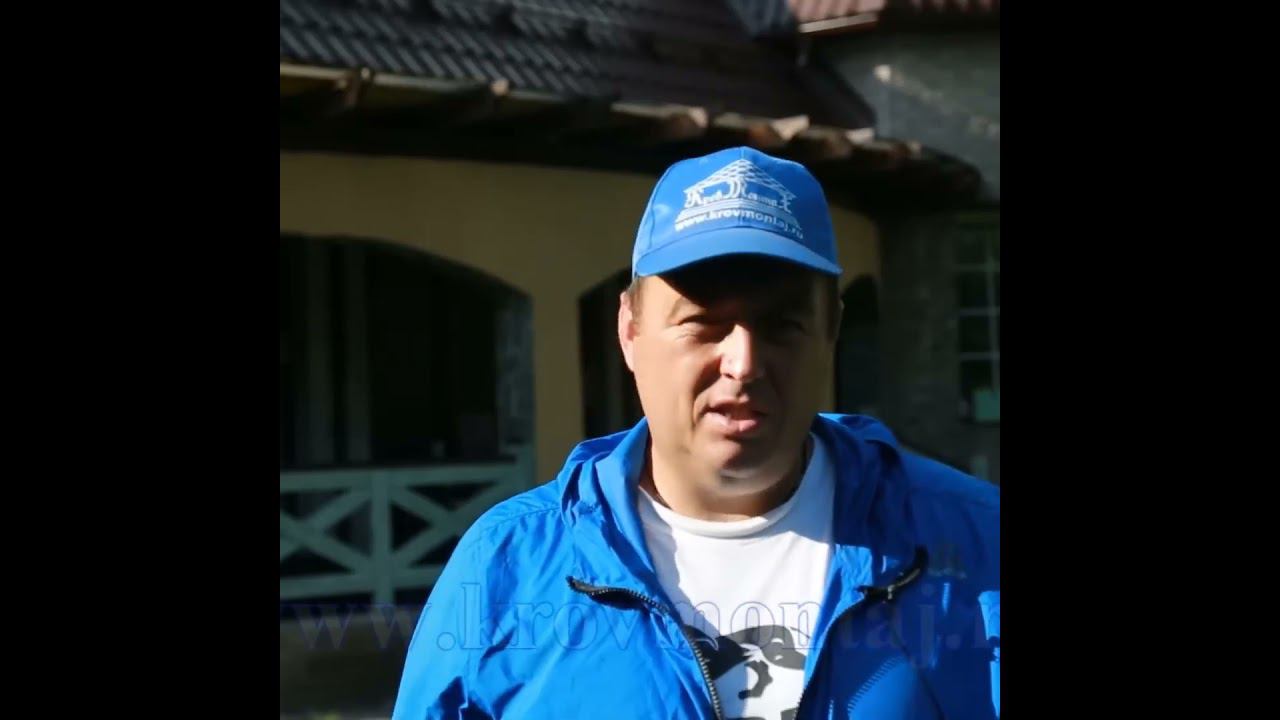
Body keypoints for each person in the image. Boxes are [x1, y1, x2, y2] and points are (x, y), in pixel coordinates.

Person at [391, 146, 1000, 720]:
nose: (744, 363)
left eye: (782, 325)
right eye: (703, 324)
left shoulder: (977, 543)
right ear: (630, 331)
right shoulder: (508, 564)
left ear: (830, 331)